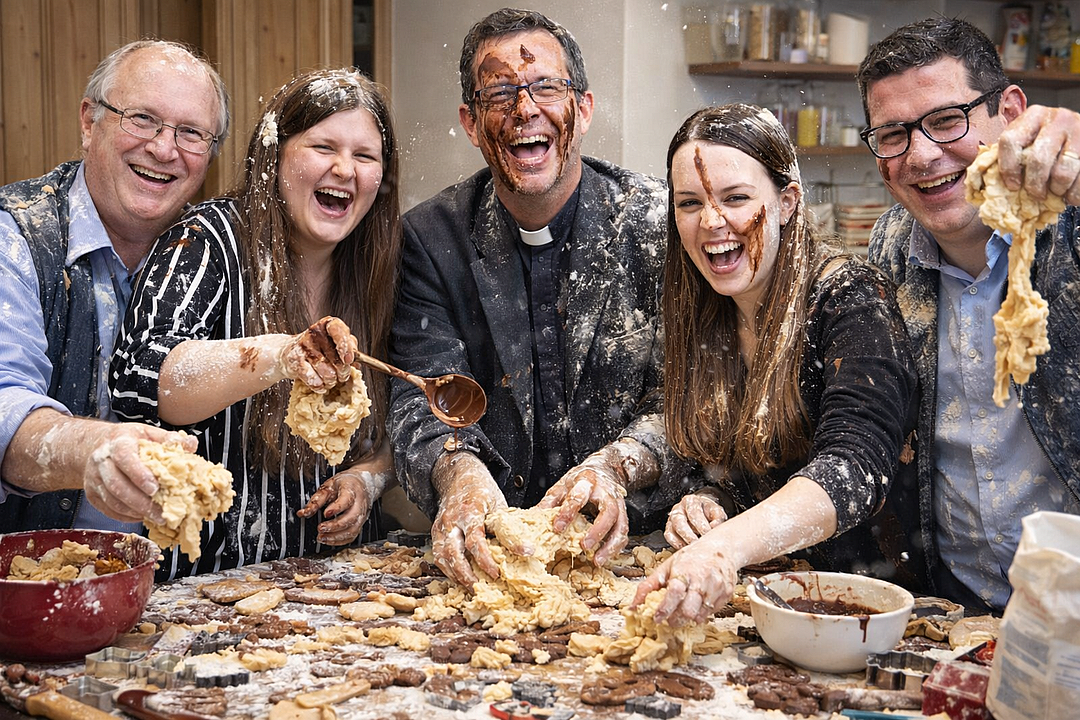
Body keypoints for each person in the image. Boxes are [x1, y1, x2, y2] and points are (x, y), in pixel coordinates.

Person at [390, 8, 682, 587]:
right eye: (501, 92)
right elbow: (422, 395)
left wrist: (618, 468)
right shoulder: (430, 239)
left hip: (642, 558)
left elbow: (691, 392)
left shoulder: (657, 223)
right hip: (488, 560)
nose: (526, 109)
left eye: (546, 86)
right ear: (471, 123)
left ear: (584, 107)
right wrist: (460, 476)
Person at [630, 104, 918, 626]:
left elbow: (855, 468)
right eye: (689, 203)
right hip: (774, 607)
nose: (712, 222)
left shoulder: (847, 296)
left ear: (787, 202)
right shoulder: (709, 311)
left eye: (736, 198)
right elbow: (758, 467)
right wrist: (713, 500)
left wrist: (725, 548)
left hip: (874, 609)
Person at [110, 68, 402, 579]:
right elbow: (145, 378)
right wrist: (281, 355)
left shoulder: (383, 265)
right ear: (274, 153)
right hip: (209, 586)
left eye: (365, 156)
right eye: (323, 147)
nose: (345, 170)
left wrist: (368, 479)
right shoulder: (207, 240)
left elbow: (406, 419)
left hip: (348, 590)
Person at [857, 18, 1080, 614]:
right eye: (893, 134)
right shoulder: (888, 253)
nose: (923, 155)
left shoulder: (1073, 224)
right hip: (958, 616)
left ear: (1009, 112)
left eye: (945, 121)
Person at [0, 40, 229, 534]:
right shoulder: (16, 236)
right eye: (142, 119)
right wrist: (94, 452)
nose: (163, 149)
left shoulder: (216, 257)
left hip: (183, 590)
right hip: (32, 582)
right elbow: (4, 407)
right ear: (89, 121)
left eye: (190, 133)